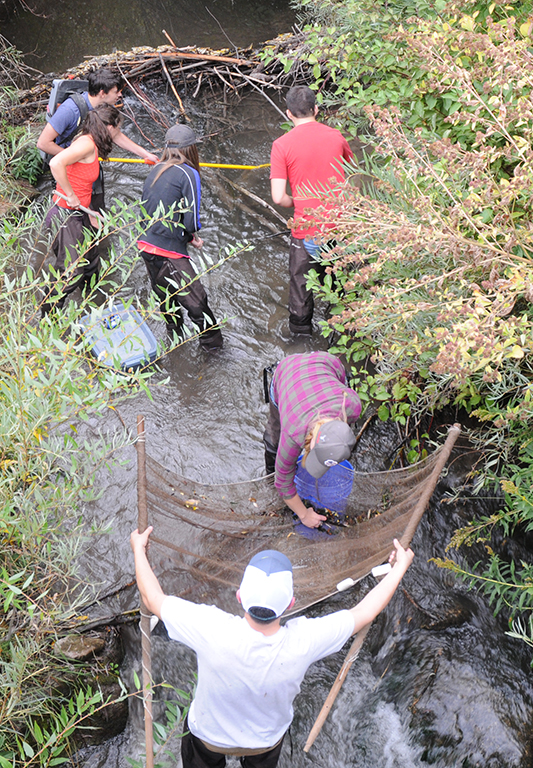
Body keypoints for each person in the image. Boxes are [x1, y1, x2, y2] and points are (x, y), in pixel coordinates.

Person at [131, 527, 414, 768]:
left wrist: (138, 550)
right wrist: (398, 567)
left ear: (240, 597)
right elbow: (364, 612)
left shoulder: (211, 627)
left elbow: (153, 597)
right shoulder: (304, 640)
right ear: (290, 604)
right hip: (263, 744)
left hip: (208, 738)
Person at [270, 85, 353, 335]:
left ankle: (301, 338)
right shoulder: (337, 136)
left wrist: (300, 200)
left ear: (289, 114)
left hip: (306, 231)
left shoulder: (281, 145)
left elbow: (278, 197)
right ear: (317, 109)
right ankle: (340, 333)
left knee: (300, 291)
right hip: (337, 227)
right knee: (338, 287)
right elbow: (351, 177)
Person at [137, 124, 223, 351]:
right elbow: (191, 221)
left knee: (166, 298)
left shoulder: (156, 169)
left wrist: (186, 236)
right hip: (169, 253)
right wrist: (192, 236)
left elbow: (146, 210)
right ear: (192, 149)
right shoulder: (189, 173)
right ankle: (214, 351)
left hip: (146, 247)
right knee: (198, 304)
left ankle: (175, 344)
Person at [263, 351, 361, 528]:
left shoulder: (352, 405)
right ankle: (269, 466)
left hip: (326, 362)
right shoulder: (293, 432)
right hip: (286, 372)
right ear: (312, 440)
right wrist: (303, 514)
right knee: (274, 437)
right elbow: (283, 481)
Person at [37, 67, 158, 211]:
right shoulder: (70, 110)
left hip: (90, 167)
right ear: (102, 93)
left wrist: (145, 154)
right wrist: (76, 157)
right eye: (116, 91)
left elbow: (116, 135)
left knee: (97, 211)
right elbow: (43, 143)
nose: (120, 95)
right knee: (75, 219)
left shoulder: (103, 109)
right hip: (72, 174)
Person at [41, 104, 122, 314]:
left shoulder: (91, 141)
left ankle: (92, 305)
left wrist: (91, 215)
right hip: (66, 215)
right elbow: (56, 162)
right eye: (117, 129)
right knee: (69, 273)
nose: (118, 134)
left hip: (82, 213)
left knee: (91, 259)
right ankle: (47, 319)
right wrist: (70, 195)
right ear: (108, 127)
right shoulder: (86, 144)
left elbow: (81, 181)